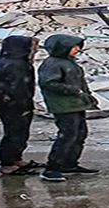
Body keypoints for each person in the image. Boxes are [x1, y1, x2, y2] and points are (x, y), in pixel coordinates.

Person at [39, 35, 98, 182]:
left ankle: (69, 163)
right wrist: (74, 91)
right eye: (74, 47)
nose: (78, 49)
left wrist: (86, 95)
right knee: (67, 135)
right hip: (64, 105)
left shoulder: (69, 62)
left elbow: (79, 81)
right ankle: (52, 168)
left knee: (80, 134)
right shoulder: (52, 64)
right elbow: (49, 83)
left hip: (76, 104)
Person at [0, 35, 43, 176]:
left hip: (8, 103)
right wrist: (21, 103)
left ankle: (15, 159)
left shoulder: (4, 61)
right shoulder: (16, 64)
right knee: (15, 133)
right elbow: (18, 87)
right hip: (15, 104)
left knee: (17, 132)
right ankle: (8, 163)